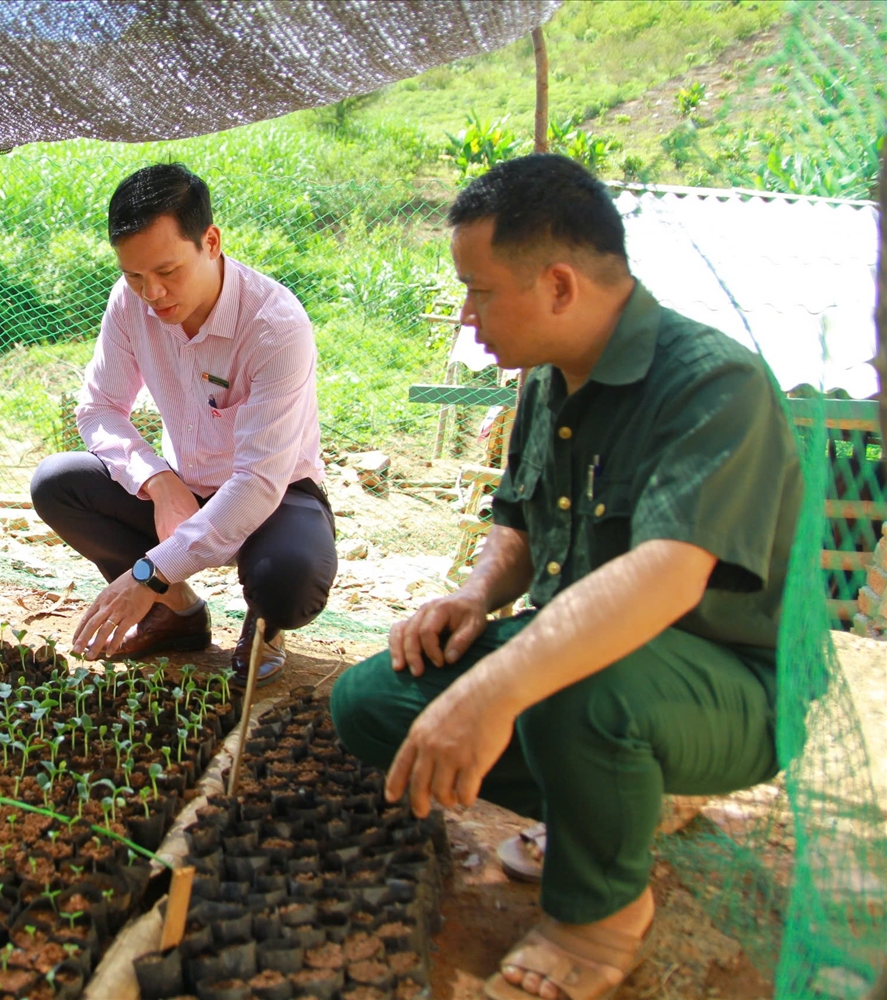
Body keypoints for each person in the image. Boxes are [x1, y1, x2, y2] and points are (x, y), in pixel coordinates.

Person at [329, 155, 800, 1000]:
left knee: (575, 687)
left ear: (556, 285)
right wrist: (474, 598)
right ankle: (615, 801)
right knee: (374, 702)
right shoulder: (548, 380)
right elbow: (517, 520)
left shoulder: (712, 385)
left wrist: (494, 690)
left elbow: (665, 577)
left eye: (479, 292)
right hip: (590, 673)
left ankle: (598, 924)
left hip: (734, 689)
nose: (468, 318)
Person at [30, 163, 337, 683]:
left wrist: (148, 572)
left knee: (288, 577)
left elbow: (259, 482)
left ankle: (266, 627)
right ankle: (177, 612)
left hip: (276, 494)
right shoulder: (130, 303)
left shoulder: (274, 326)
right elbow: (99, 407)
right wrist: (159, 480)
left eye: (167, 272)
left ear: (210, 242)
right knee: (58, 484)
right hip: (184, 482)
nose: (151, 293)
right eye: (134, 275)